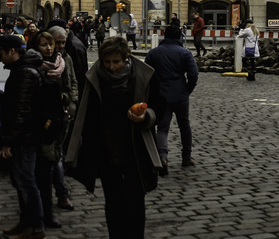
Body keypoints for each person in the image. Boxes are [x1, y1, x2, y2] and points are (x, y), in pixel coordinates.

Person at [65, 37, 162, 239]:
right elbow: (86, 116)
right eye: (107, 62)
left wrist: (145, 116)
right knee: (114, 201)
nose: (111, 67)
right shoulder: (93, 78)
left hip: (136, 148)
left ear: (125, 58)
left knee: (135, 200)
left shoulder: (143, 75)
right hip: (107, 150)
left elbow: (160, 106)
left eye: (116, 62)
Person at [0, 35, 44, 239]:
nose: (0, 59)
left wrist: (8, 143)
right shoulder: (20, 70)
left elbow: (21, 112)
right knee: (20, 182)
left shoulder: (25, 72)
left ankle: (35, 228)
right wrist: (0, 96)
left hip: (25, 139)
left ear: (12, 51)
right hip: (24, 136)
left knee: (26, 182)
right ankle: (26, 222)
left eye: (1, 53)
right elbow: (17, 102)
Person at [144, 23, 198, 173]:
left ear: (165, 35)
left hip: (161, 96)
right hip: (180, 94)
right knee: (184, 126)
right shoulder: (185, 53)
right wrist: (187, 90)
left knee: (162, 128)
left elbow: (146, 75)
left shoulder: (154, 53)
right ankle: (186, 157)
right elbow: (193, 75)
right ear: (179, 37)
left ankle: (162, 156)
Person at [29, 32, 68, 230]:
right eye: (44, 45)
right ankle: (41, 214)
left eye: (50, 44)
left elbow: (70, 87)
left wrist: (69, 103)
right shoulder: (33, 67)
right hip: (41, 127)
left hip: (57, 124)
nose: (49, 48)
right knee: (42, 173)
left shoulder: (61, 63)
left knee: (53, 164)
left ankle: (56, 202)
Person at [46, 27, 78, 213]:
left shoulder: (66, 58)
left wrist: (71, 102)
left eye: (62, 42)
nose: (59, 46)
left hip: (61, 113)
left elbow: (73, 82)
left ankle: (62, 194)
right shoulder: (38, 59)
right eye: (56, 42)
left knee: (57, 155)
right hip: (43, 115)